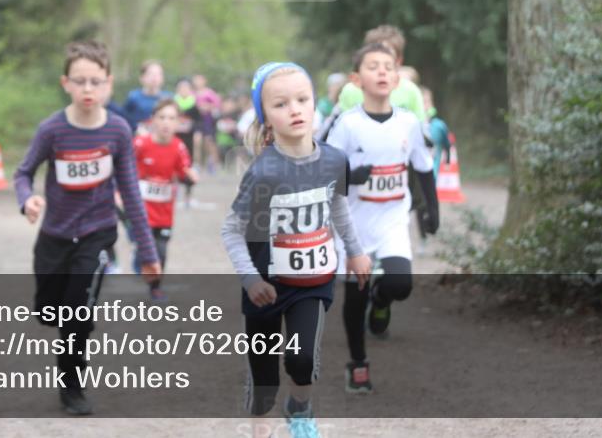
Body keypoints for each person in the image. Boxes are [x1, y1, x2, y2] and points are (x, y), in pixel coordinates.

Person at [221, 62, 372, 438]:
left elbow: (337, 206)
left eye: (303, 99)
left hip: (312, 282)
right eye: (281, 103)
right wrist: (250, 279)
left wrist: (355, 250)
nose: (295, 109)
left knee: (302, 360)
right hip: (264, 287)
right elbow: (232, 229)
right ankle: (261, 421)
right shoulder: (263, 172)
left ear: (315, 104)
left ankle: (300, 407)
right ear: (266, 118)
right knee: (264, 374)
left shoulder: (335, 160)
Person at [14, 40, 162, 416]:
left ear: (109, 83)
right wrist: (27, 198)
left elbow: (130, 193)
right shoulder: (52, 130)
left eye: (95, 82)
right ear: (66, 83)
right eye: (80, 82)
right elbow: (23, 172)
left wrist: (147, 253)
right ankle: (59, 320)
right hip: (54, 237)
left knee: (77, 315)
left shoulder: (117, 131)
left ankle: (72, 388)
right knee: (50, 311)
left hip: (97, 233)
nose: (88, 90)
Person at [326, 43, 440, 394]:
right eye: (373, 67)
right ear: (357, 80)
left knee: (400, 285)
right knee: (354, 296)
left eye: (388, 67)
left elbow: (423, 168)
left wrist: (430, 210)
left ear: (397, 76)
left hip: (392, 219)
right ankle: (358, 364)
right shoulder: (346, 124)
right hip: (354, 224)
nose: (381, 72)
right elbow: (322, 174)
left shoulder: (408, 122)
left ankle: (383, 301)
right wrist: (351, 177)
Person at [132, 98, 199, 302]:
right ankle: (143, 264)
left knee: (161, 250)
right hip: (141, 209)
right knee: (146, 246)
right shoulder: (140, 144)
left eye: (171, 118)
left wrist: (190, 175)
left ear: (178, 123)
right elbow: (127, 172)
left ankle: (155, 286)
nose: (166, 123)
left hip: (164, 211)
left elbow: (183, 170)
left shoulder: (178, 147)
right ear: (152, 120)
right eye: (161, 117)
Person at [337, 25, 427, 123]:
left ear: (398, 61)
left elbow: (420, 129)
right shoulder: (350, 91)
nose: (381, 71)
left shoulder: (411, 91)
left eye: (387, 56)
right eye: (374, 64)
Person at [122, 60, 171, 133]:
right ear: (142, 78)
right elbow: (124, 119)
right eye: (150, 74)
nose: (154, 77)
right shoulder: (133, 97)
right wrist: (136, 128)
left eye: (158, 74)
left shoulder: (168, 98)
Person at [173, 79, 201, 206]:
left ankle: (188, 197)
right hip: (175, 140)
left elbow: (199, 123)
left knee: (188, 166)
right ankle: (174, 194)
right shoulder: (173, 104)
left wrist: (197, 135)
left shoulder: (194, 106)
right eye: (181, 88)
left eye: (186, 88)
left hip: (188, 141)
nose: (184, 90)